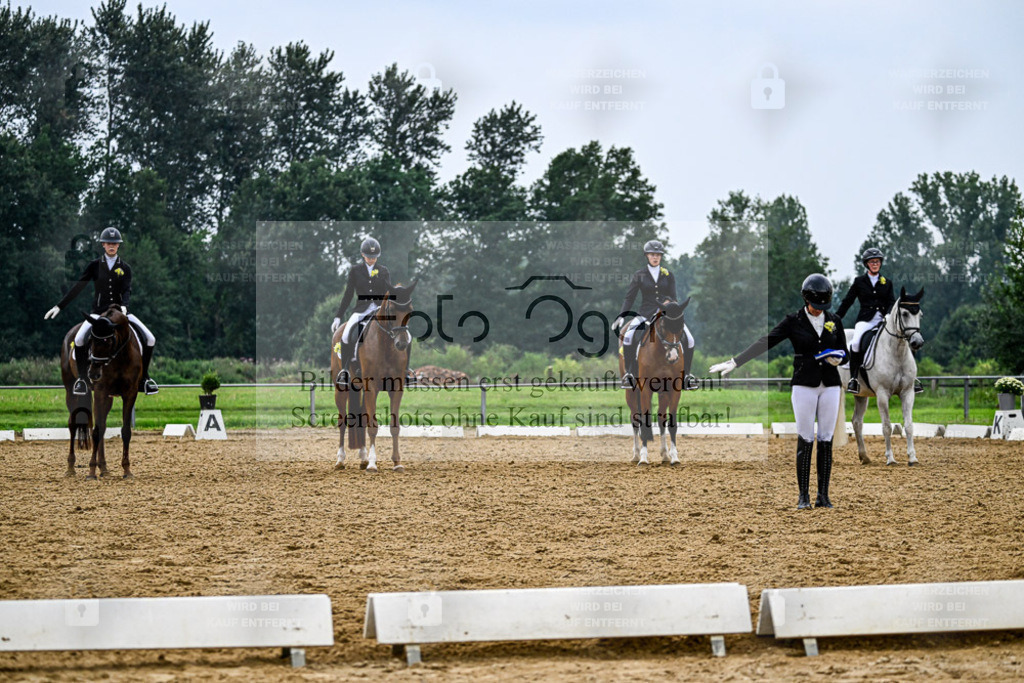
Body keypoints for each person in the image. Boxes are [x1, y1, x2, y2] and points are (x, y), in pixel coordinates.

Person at [709, 274, 848, 510]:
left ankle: (823, 496)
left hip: (831, 384)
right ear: (806, 300)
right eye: (815, 306)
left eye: (822, 307)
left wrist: (839, 358)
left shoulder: (834, 320)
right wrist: (736, 361)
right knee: (806, 438)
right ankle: (803, 497)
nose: (818, 311)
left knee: (826, 439)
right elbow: (767, 341)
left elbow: (844, 349)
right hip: (804, 383)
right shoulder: (793, 321)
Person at [43, 227, 159, 396]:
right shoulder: (94, 266)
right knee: (80, 338)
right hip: (98, 313)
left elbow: (127, 290)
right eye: (109, 243)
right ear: (103, 245)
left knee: (150, 338)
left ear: (118, 246)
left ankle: (145, 379)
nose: (112, 246)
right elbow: (79, 286)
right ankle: (82, 380)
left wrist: (125, 305)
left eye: (115, 243)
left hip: (120, 314)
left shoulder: (125, 268)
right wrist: (59, 306)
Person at [836, 247, 923, 394]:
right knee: (856, 342)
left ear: (880, 263)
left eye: (877, 261)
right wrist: (837, 318)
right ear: (867, 264)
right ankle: (854, 380)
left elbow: (891, 301)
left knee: (906, 339)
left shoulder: (887, 283)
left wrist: (888, 315)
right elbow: (848, 301)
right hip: (865, 320)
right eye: (872, 262)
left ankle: (912, 379)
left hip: (884, 320)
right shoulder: (859, 282)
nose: (875, 264)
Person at [612, 240, 696, 390]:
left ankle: (686, 376)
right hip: (645, 313)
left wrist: (668, 305)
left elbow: (673, 297)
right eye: (652, 254)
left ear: (661, 257)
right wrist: (621, 315)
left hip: (666, 314)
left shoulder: (669, 275)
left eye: (657, 255)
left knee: (690, 339)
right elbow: (630, 297)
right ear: (647, 256)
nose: (655, 257)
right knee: (629, 335)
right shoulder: (639, 275)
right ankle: (629, 374)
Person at [332, 237, 393, 390]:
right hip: (361, 309)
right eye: (369, 256)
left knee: (399, 332)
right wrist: (338, 316)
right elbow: (348, 294)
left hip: (379, 309)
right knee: (346, 335)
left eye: (374, 257)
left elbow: (388, 292)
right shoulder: (355, 271)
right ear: (362, 255)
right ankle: (345, 370)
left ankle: (403, 371)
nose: (372, 259)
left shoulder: (384, 270)